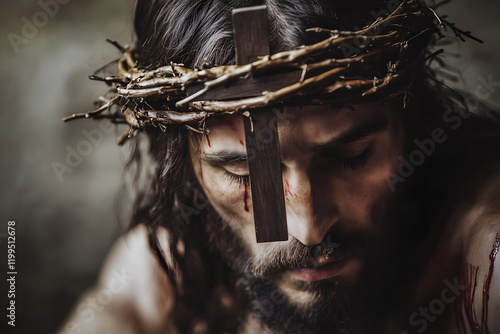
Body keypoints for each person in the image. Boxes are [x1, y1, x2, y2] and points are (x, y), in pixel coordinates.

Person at [61, 0, 500, 333]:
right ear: (185, 163)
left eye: (351, 156)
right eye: (246, 175)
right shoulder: (170, 278)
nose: (306, 227)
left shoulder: (480, 254)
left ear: (411, 117)